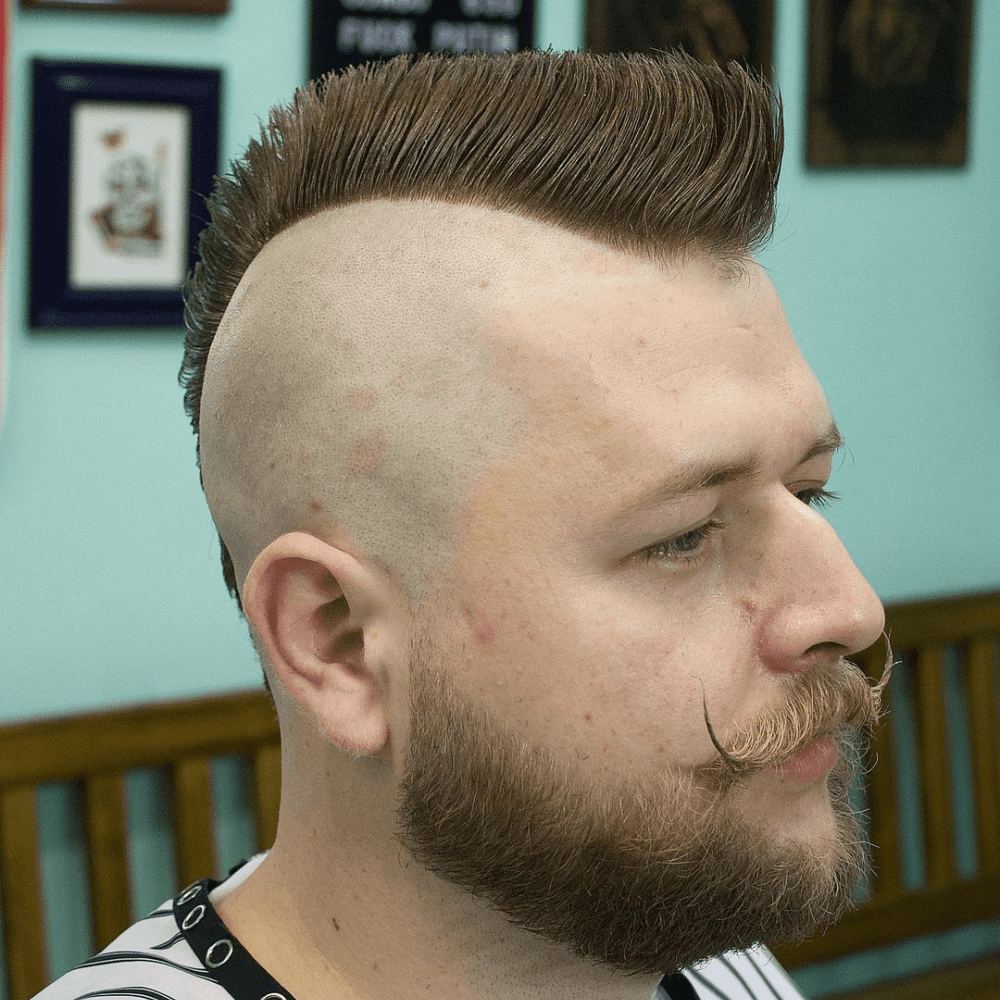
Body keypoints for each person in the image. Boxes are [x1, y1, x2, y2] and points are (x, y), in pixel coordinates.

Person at [34, 50, 890, 1000]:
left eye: (807, 493)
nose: (850, 609)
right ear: (340, 642)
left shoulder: (710, 956)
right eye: (682, 536)